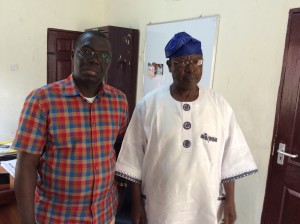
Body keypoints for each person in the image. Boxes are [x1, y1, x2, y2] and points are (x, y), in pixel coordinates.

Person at [115, 32, 258, 224]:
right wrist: (135, 204)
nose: (191, 69)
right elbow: (133, 160)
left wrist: (230, 201)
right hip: (160, 207)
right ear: (169, 66)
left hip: (206, 206)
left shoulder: (219, 105)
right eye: (182, 63)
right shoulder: (148, 105)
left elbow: (230, 159)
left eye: (197, 62)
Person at [12, 30, 128, 224]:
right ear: (73, 55)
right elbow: (26, 165)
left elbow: (119, 147)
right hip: (57, 218)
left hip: (104, 215)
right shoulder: (42, 100)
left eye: (103, 55)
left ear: (109, 63)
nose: (94, 60)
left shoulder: (119, 101)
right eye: (87, 52)